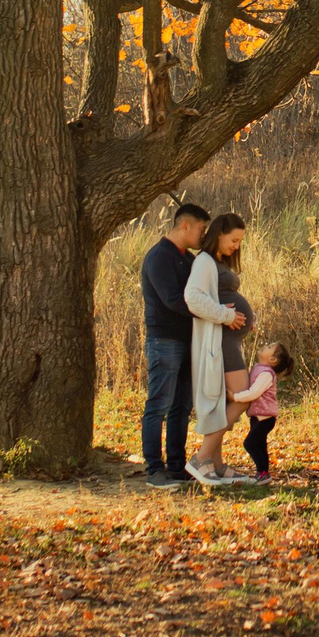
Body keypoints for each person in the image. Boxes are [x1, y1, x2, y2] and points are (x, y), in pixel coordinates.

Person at [138, 201, 212, 489]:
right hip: (164, 340)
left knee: (181, 406)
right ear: (185, 225)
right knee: (159, 404)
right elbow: (172, 298)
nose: (202, 236)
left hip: (188, 340)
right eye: (201, 229)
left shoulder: (190, 259)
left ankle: (177, 466)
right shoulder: (159, 257)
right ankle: (154, 469)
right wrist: (209, 311)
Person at [184, 211, 254, 484]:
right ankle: (201, 459)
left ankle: (216, 465)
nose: (236, 245)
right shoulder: (204, 261)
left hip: (229, 340)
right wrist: (227, 316)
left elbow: (222, 297)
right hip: (220, 342)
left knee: (223, 403)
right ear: (220, 234)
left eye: (240, 241)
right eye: (234, 240)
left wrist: (249, 317)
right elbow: (193, 298)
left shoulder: (219, 262)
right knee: (244, 396)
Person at [234, 342, 293, 482]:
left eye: (268, 348)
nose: (264, 346)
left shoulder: (266, 374)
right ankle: (263, 473)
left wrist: (234, 397)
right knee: (260, 445)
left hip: (265, 418)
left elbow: (254, 393)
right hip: (257, 416)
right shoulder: (258, 368)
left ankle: (263, 473)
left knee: (250, 443)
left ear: (273, 360)